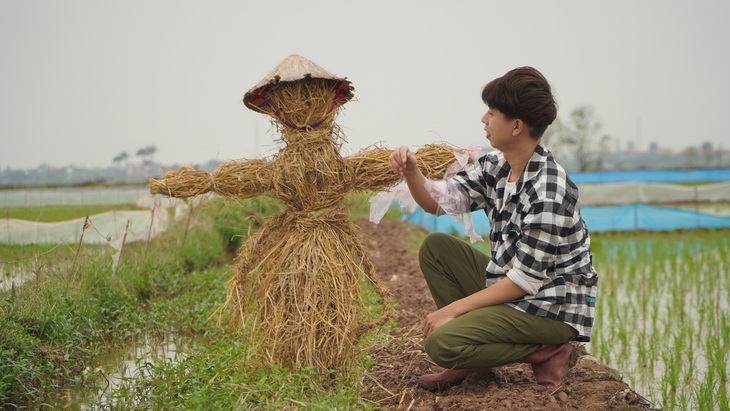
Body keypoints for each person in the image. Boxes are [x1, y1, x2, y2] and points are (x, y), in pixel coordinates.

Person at [388, 66, 598, 391]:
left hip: (548, 308)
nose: (484, 120)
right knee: (437, 248)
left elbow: (524, 281)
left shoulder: (548, 189)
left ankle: (548, 350)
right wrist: (411, 172)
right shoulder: (496, 167)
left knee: (441, 343)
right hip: (515, 290)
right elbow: (438, 203)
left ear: (516, 126)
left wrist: (451, 312)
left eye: (492, 112)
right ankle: (475, 360)